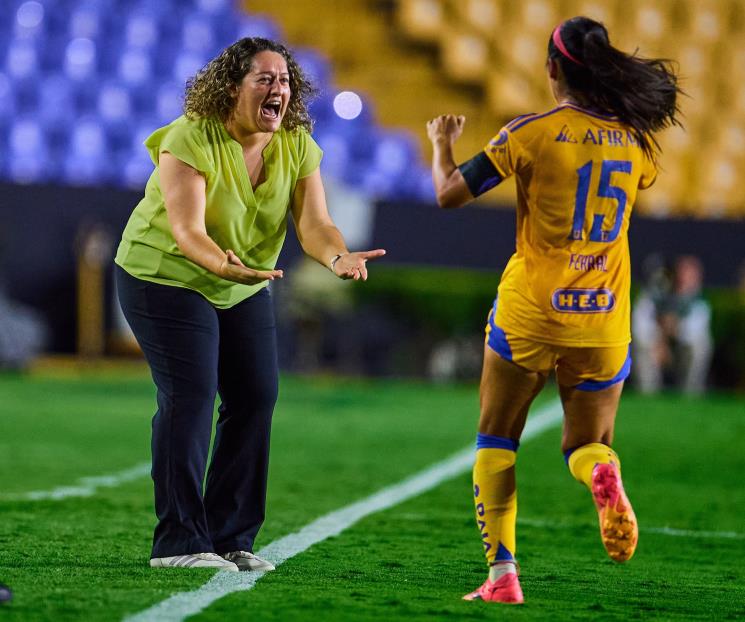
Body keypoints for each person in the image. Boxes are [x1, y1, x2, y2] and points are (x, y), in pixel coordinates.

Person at [426, 16, 681, 604]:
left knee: (496, 439)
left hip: (532, 312)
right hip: (604, 317)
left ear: (550, 69)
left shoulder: (530, 133)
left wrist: (442, 143)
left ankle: (503, 577)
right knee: (586, 444)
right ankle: (599, 474)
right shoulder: (637, 141)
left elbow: (448, 195)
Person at [114, 37, 385, 572]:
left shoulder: (297, 143)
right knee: (190, 396)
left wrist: (336, 259)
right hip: (164, 274)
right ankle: (179, 542)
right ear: (231, 88)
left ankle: (230, 536)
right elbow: (188, 231)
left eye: (283, 80)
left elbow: (315, 224)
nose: (278, 88)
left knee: (256, 396)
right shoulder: (191, 136)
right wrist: (222, 265)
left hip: (243, 280)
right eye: (264, 78)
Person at [633, 254, 712, 394]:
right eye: (680, 273)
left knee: (701, 346)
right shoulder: (657, 293)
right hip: (656, 346)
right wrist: (658, 341)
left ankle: (690, 394)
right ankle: (647, 394)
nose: (683, 279)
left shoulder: (699, 300)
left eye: (689, 275)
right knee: (641, 344)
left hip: (680, 351)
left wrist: (672, 328)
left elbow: (693, 333)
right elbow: (640, 321)